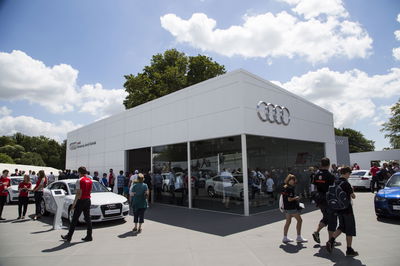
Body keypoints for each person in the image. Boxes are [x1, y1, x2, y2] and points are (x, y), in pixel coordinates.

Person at [326, 167, 358, 257]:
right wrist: (352, 190)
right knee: (350, 229)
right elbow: (353, 196)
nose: (349, 175)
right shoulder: (346, 183)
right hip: (347, 209)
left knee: (341, 226)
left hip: (338, 209)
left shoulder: (335, 182)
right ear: (346, 173)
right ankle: (349, 249)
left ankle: (331, 240)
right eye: (349, 173)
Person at [62, 166, 93, 242]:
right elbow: (90, 191)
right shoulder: (90, 180)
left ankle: (69, 237)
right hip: (88, 200)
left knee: (74, 219)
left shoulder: (79, 180)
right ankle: (89, 236)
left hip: (81, 200)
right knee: (88, 219)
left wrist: (74, 203)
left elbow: (78, 193)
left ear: (79, 172)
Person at [312, 157, 337, 245]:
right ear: (329, 164)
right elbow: (334, 189)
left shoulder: (316, 174)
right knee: (332, 219)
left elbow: (314, 186)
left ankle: (316, 232)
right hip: (328, 199)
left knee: (326, 217)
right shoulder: (330, 176)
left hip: (319, 199)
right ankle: (331, 241)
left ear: (321, 164)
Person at [281, 174, 307, 243]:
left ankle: (285, 237)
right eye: (291, 180)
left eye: (293, 180)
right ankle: (299, 237)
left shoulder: (285, 187)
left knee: (288, 222)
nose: (293, 181)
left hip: (286, 208)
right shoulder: (290, 188)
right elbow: (289, 199)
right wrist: (296, 198)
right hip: (291, 208)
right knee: (300, 220)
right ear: (288, 180)